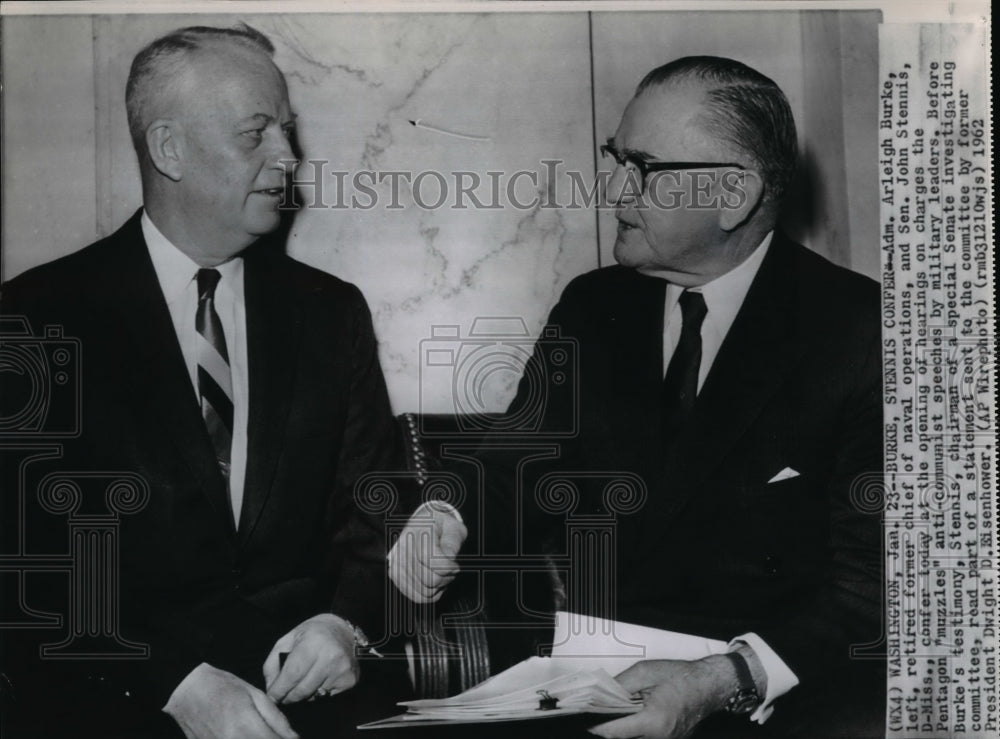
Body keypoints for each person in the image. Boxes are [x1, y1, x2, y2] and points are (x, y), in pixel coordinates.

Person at [390, 56, 884, 738]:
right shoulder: (594, 307)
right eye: (615, 158)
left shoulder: (860, 329)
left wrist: (725, 678)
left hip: (781, 696)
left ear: (734, 193)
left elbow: (871, 587)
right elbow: (518, 465)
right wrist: (447, 512)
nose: (614, 188)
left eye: (644, 169)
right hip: (607, 685)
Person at [1, 24, 409, 738]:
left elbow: (377, 510)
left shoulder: (330, 312)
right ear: (169, 149)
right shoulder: (37, 316)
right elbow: (26, 557)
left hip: (307, 707)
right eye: (257, 134)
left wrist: (345, 623)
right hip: (118, 701)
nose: (289, 157)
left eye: (286, 130)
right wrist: (175, 680)